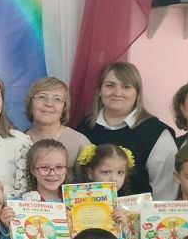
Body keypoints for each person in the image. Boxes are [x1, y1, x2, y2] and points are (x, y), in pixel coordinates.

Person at [76, 62, 177, 199]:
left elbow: (166, 193)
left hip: (140, 212)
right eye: (110, 85)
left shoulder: (157, 133)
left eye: (126, 87)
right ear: (100, 91)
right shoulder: (84, 128)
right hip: (89, 211)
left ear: (137, 93)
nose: (117, 93)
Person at [24, 76, 90, 166]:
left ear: (64, 108)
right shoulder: (18, 142)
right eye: (42, 97)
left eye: (57, 99)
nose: (49, 104)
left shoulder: (80, 144)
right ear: (30, 104)